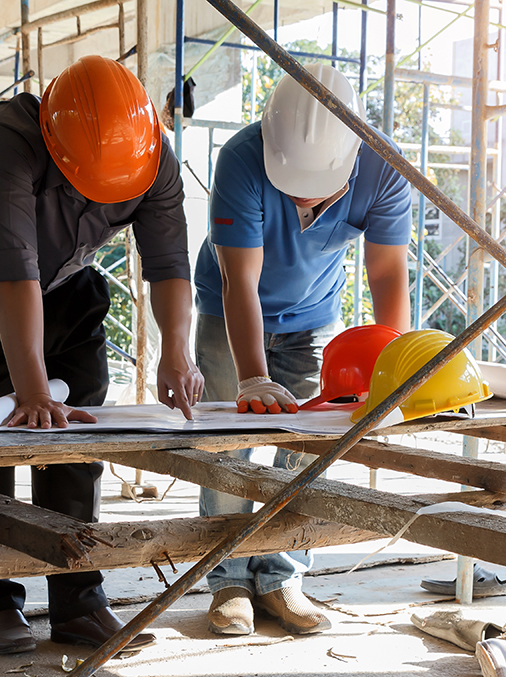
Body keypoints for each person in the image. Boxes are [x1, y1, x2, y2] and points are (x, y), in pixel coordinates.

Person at [0, 55, 204, 654]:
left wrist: (176, 355)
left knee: (78, 437)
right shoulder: (8, 137)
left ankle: (77, 599)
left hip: (67, 284)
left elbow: (167, 268)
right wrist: (30, 391)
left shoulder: (152, 154)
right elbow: (12, 274)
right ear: (57, 144)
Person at [193, 63, 412, 636]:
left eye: (321, 189)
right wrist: (252, 379)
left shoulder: (385, 168)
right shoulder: (242, 158)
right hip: (228, 312)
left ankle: (282, 575)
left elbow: (387, 275)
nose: (306, 199)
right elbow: (240, 280)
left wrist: (394, 372)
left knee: (308, 448)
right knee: (226, 448)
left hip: (314, 316)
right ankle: (229, 581)